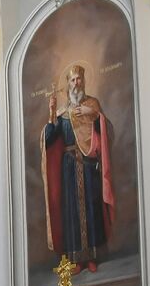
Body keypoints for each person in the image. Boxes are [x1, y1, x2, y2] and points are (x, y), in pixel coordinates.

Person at [41, 63, 114, 272]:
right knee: (72, 211)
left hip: (89, 164)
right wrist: (52, 112)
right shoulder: (63, 112)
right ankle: (76, 260)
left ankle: (91, 257)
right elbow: (49, 139)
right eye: (72, 80)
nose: (76, 83)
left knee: (91, 209)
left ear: (84, 81)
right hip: (69, 168)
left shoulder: (93, 104)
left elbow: (107, 131)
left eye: (79, 79)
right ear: (68, 84)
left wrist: (94, 114)